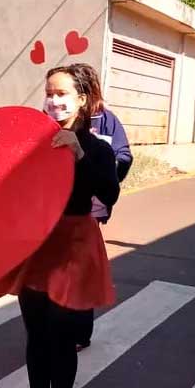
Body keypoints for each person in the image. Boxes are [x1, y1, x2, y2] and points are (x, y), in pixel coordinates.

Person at [0, 63, 120, 388]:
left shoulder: (96, 148)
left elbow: (108, 194)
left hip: (73, 244)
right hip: (36, 244)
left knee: (61, 337)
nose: (54, 100)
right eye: (49, 92)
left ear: (82, 99)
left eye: (62, 93)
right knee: (36, 335)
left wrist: (79, 155)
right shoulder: (32, 142)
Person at [73, 63, 133, 351]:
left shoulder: (108, 121)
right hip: (54, 213)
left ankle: (80, 334)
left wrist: (103, 173)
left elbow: (123, 156)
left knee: (81, 272)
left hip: (88, 212)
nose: (56, 100)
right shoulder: (54, 123)